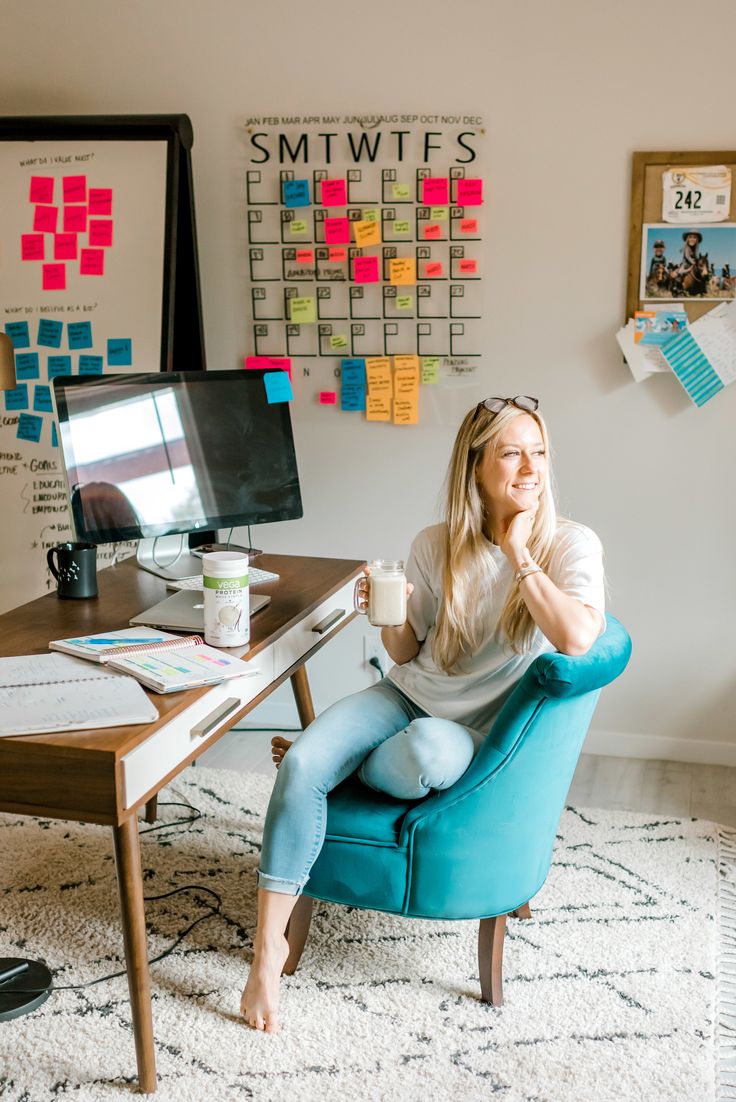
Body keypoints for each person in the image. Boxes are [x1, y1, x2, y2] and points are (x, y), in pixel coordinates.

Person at [240, 395, 605, 1032]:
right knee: (301, 762)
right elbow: (409, 652)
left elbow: (577, 638)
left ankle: (346, 765)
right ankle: (266, 955)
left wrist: (521, 553)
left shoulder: (571, 545)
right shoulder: (435, 545)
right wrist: (392, 615)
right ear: (475, 467)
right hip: (406, 694)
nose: (530, 467)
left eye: (539, 451)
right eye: (511, 452)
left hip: (470, 732)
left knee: (427, 753)